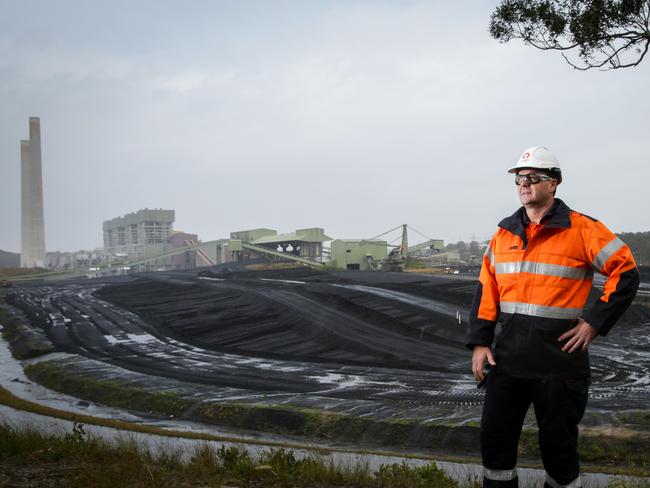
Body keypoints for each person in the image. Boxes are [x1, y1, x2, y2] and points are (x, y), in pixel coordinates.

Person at [467, 146, 640, 488]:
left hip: (560, 363)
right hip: (508, 362)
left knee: (559, 452)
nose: (525, 184)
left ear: (554, 184)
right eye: (520, 178)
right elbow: (487, 289)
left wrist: (593, 322)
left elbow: (626, 271)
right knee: (495, 445)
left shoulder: (582, 229)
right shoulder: (504, 234)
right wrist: (480, 342)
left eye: (534, 178)